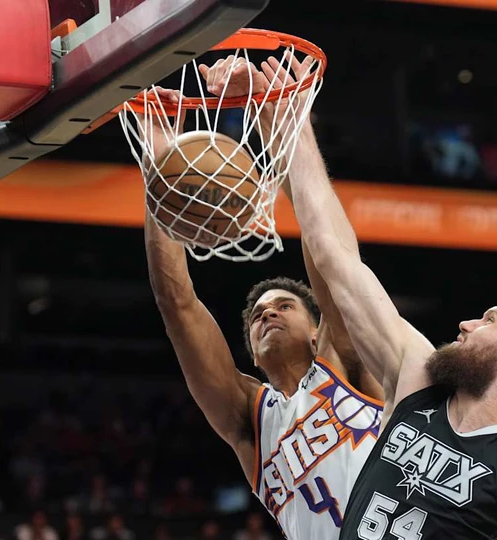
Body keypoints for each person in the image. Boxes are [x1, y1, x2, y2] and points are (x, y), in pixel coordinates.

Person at [213, 55, 497, 539]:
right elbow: (334, 256)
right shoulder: (416, 379)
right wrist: (285, 119)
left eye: (489, 320)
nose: (466, 324)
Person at [141, 79, 384, 540]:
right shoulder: (250, 419)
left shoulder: (348, 365)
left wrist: (286, 134)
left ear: (317, 332)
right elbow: (176, 303)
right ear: (252, 354)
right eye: (257, 315)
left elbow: (329, 253)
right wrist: (162, 173)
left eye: (284, 306)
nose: (267, 314)